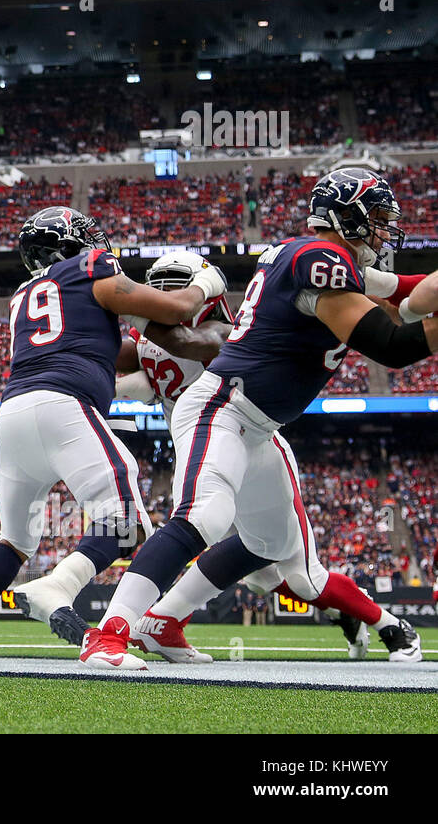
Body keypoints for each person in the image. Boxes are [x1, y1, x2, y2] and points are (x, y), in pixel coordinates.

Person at [82, 169, 434, 669]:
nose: (385, 230)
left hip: (259, 425)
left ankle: (164, 621)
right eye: (377, 218)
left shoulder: (329, 260)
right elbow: (390, 346)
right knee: (205, 514)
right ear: (345, 216)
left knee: (270, 543)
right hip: (222, 406)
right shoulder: (319, 258)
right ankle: (109, 633)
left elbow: (405, 289)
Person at [0, 207, 226, 659]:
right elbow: (177, 308)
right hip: (63, 405)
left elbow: (108, 351)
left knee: (15, 540)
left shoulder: (24, 295)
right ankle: (59, 587)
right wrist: (208, 282)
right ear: (72, 245)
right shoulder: (91, 268)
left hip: (12, 414)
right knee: (129, 522)